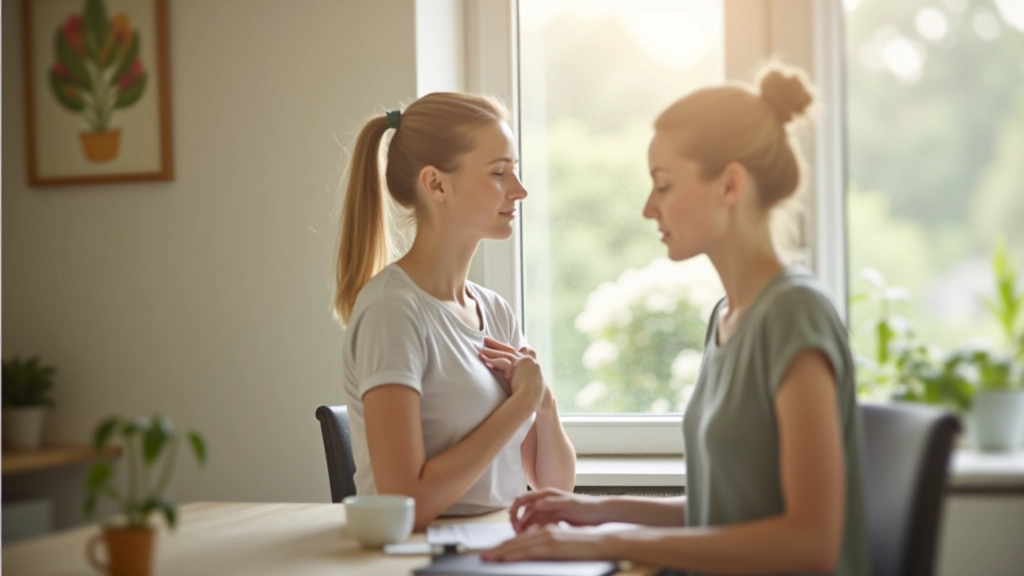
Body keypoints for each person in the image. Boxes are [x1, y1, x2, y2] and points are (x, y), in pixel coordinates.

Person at [482, 65, 869, 575]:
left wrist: (609, 542)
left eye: (663, 186)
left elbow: (808, 544)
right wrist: (598, 512)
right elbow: (727, 515)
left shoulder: (794, 315)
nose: (648, 208)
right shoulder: (727, 317)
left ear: (730, 185)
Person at [334, 93, 576, 531]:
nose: (519, 189)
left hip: (492, 545)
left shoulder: (495, 312)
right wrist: (521, 403)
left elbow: (555, 492)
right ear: (436, 184)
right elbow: (403, 504)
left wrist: (544, 401)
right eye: (499, 172)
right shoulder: (393, 312)